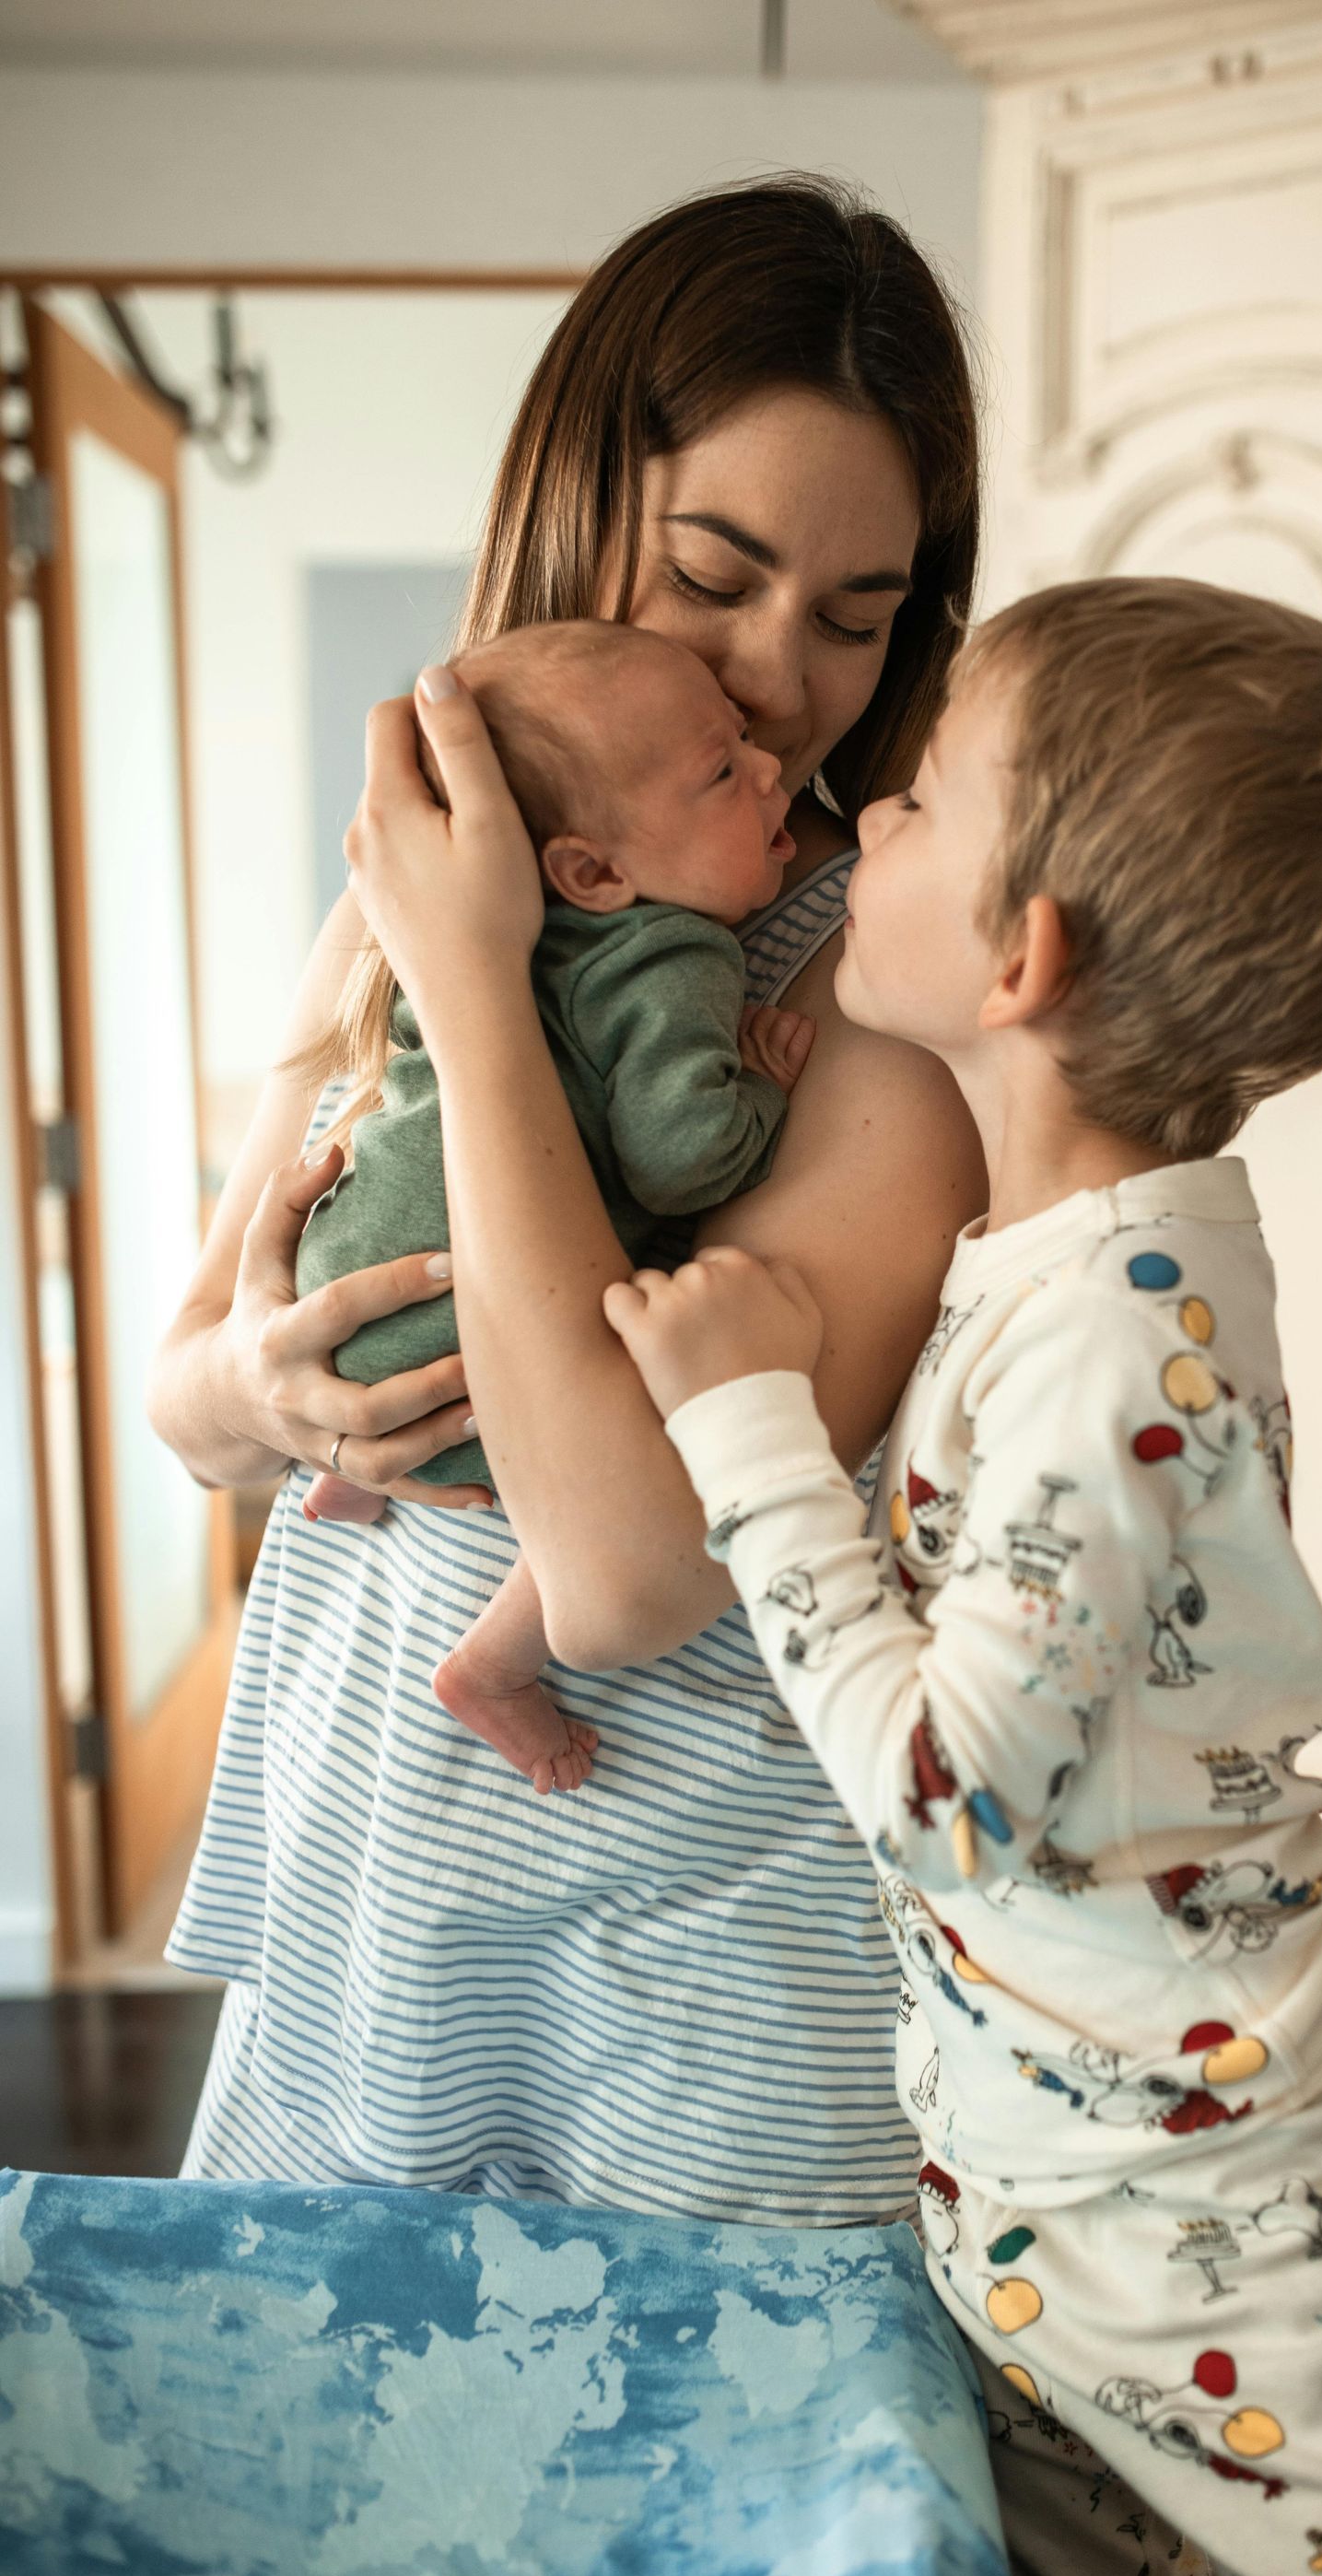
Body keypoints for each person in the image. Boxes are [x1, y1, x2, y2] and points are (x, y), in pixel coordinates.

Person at [575, 577, 1322, 2576]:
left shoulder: (1119, 1329)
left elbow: (943, 1796)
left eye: (912, 802)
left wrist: (745, 1431)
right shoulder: (1054, 1254)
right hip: (1080, 2199)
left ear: (1025, 958)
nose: (862, 823)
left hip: (1215, 2239)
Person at [151, 178, 986, 2222]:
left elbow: (626, 1556)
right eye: (717, 576)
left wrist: (471, 985)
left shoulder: (873, 1004)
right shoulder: (415, 893)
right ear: (578, 503)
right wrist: (277, 1389)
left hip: (680, 2003)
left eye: (857, 618)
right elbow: (178, 1402)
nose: (785, 682)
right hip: (369, 1920)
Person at [292, 620, 815, 1793]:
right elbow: (682, 1161)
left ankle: (352, 1468)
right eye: (724, 771)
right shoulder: (673, 956)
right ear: (592, 873)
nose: (771, 762)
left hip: (345, 1273)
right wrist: (765, 1095)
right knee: (643, 1414)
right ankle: (492, 1665)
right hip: (461, 1331)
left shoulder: (439, 916)